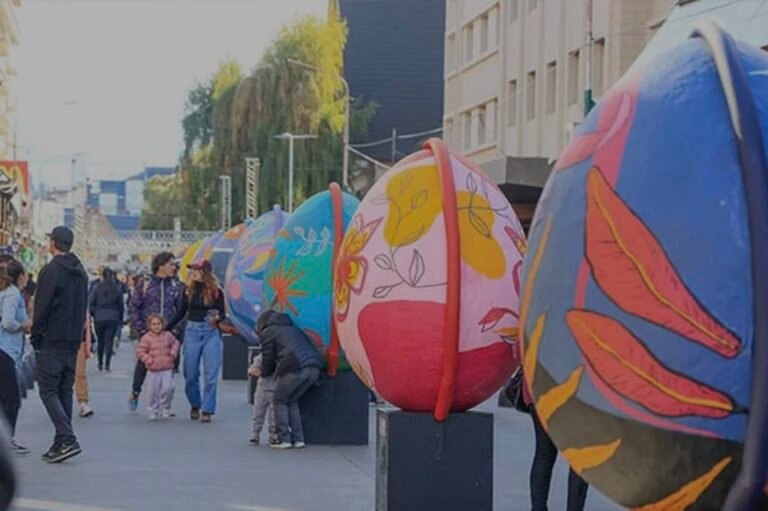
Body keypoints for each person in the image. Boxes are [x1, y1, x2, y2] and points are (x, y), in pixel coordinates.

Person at [30, 226, 88, 463]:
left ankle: (67, 438)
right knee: (64, 390)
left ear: (53, 243)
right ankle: (60, 442)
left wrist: (36, 335)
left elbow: (42, 306)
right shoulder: (81, 271)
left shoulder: (51, 270)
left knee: (48, 391)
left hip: (51, 338)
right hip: (73, 339)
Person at [167, 259, 225, 423]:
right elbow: (181, 312)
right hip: (192, 331)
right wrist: (166, 327)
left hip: (210, 331)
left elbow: (223, 313)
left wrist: (217, 318)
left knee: (211, 374)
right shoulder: (187, 291)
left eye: (196, 270)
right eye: (192, 270)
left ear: (204, 272)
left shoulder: (216, 291)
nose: (192, 273)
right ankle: (195, 403)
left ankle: (207, 409)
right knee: (190, 373)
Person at [256, 310, 321, 449]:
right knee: (291, 400)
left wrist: (264, 373)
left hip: (295, 368)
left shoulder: (269, 332)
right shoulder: (294, 328)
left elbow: (268, 358)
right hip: (314, 367)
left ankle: (284, 439)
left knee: (279, 400)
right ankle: (298, 439)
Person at [128, 252, 184, 412]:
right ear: (161, 265)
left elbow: (181, 309)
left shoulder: (175, 285)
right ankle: (135, 392)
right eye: (171, 264)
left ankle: (164, 402)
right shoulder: (145, 283)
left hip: (168, 332)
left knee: (167, 365)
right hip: (148, 331)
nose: (174, 267)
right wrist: (141, 328)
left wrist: (177, 330)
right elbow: (134, 306)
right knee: (143, 363)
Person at [0, 261, 32, 456]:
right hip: (6, 350)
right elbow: (8, 322)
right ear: (19, 276)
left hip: (4, 349)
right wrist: (24, 326)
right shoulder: (12, 294)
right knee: (12, 399)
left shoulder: (6, 293)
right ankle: (7, 440)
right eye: (25, 274)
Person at [136, 314, 180, 421]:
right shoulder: (146, 338)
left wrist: (173, 354)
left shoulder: (168, 335)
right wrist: (149, 360)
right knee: (153, 391)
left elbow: (176, 343)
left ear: (163, 324)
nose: (156, 326)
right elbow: (140, 351)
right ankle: (153, 409)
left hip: (167, 367)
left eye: (158, 324)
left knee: (168, 388)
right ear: (150, 326)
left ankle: (166, 407)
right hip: (153, 369)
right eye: (154, 324)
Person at [89, 267, 124, 372]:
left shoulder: (97, 288)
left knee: (101, 341)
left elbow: (91, 303)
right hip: (113, 317)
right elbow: (121, 306)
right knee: (109, 341)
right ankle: (107, 364)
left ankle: (100, 363)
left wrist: (94, 313)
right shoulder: (117, 289)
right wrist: (120, 319)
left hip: (99, 317)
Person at [248, 354, 277, 446]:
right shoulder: (262, 357)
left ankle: (272, 435)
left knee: (273, 416)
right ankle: (255, 434)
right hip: (264, 389)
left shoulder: (279, 356)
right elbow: (251, 370)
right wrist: (258, 372)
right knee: (258, 413)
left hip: (274, 389)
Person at [75, 315, 95, 418]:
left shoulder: (81, 304)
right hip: (59, 339)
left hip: (79, 340)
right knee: (60, 372)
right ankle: (58, 402)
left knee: (80, 372)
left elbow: (87, 321)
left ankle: (83, 403)